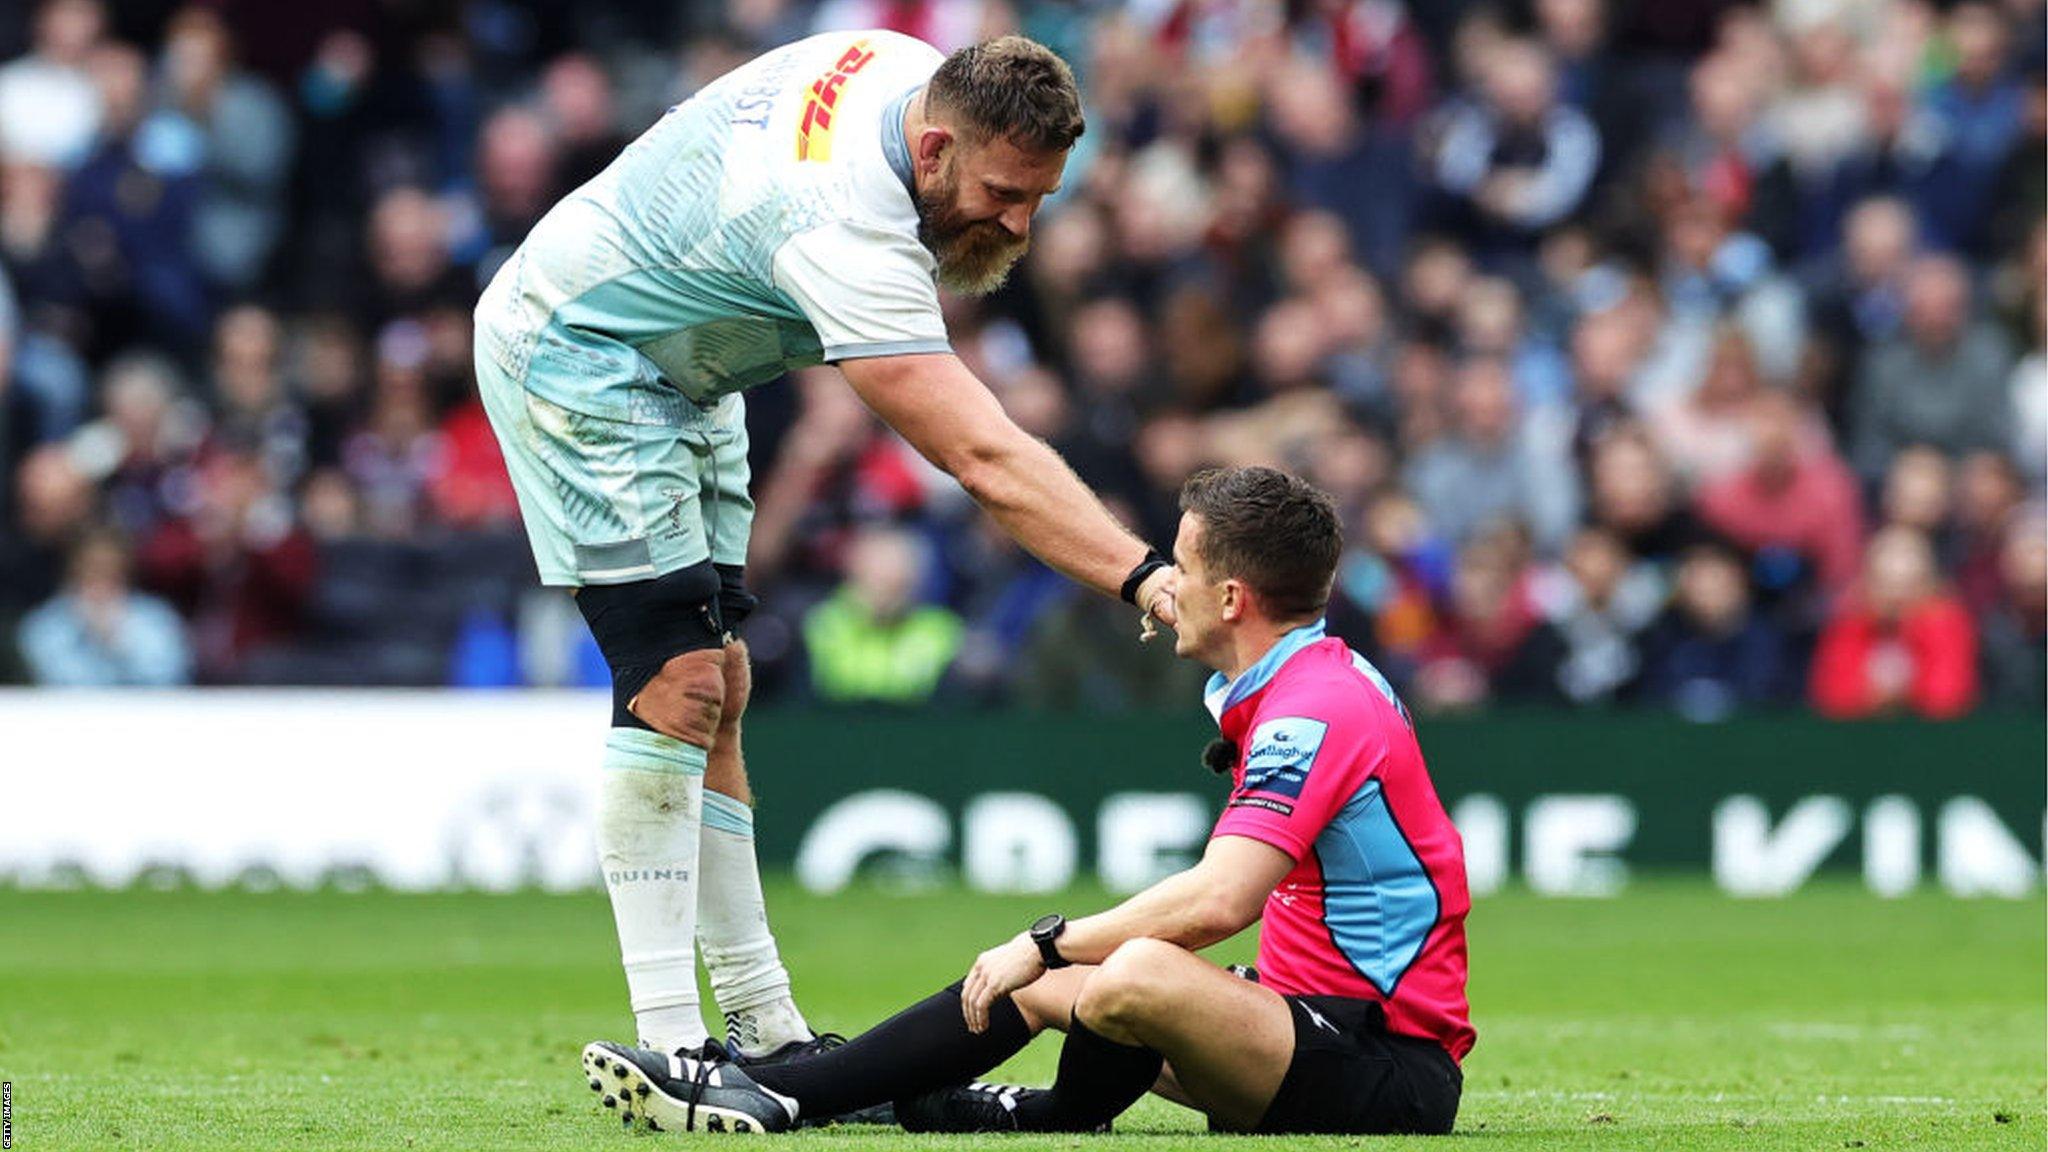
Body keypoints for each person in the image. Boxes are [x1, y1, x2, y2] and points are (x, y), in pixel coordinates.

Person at [471, 32, 1177, 1072]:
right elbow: (981, 457)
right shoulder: (843, 222)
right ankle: (670, 1040)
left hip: (688, 364)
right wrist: (1143, 574)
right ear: (932, 148)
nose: (1020, 221)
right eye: (1002, 190)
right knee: (672, 681)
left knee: (721, 683)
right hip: (580, 352)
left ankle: (764, 1026)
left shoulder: (909, 69)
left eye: (1041, 196)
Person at [578, 467, 1472, 1136]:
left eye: (1184, 567)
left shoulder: (1311, 711)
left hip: (1385, 1065)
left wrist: (1042, 940)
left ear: (1233, 598)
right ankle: (814, 1093)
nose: (1166, 586)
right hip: (1306, 1026)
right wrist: (1044, 964)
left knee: (1134, 972)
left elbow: (1217, 902)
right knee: (1067, 985)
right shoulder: (1312, 679)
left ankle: (1016, 1114)